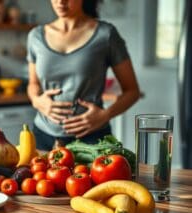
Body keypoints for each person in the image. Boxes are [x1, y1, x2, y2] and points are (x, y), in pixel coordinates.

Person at [26, 0, 140, 151]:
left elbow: (132, 91)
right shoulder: (36, 36)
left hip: (92, 138)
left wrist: (105, 115)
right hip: (43, 136)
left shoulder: (106, 34)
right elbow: (33, 84)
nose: (60, 1)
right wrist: (36, 100)